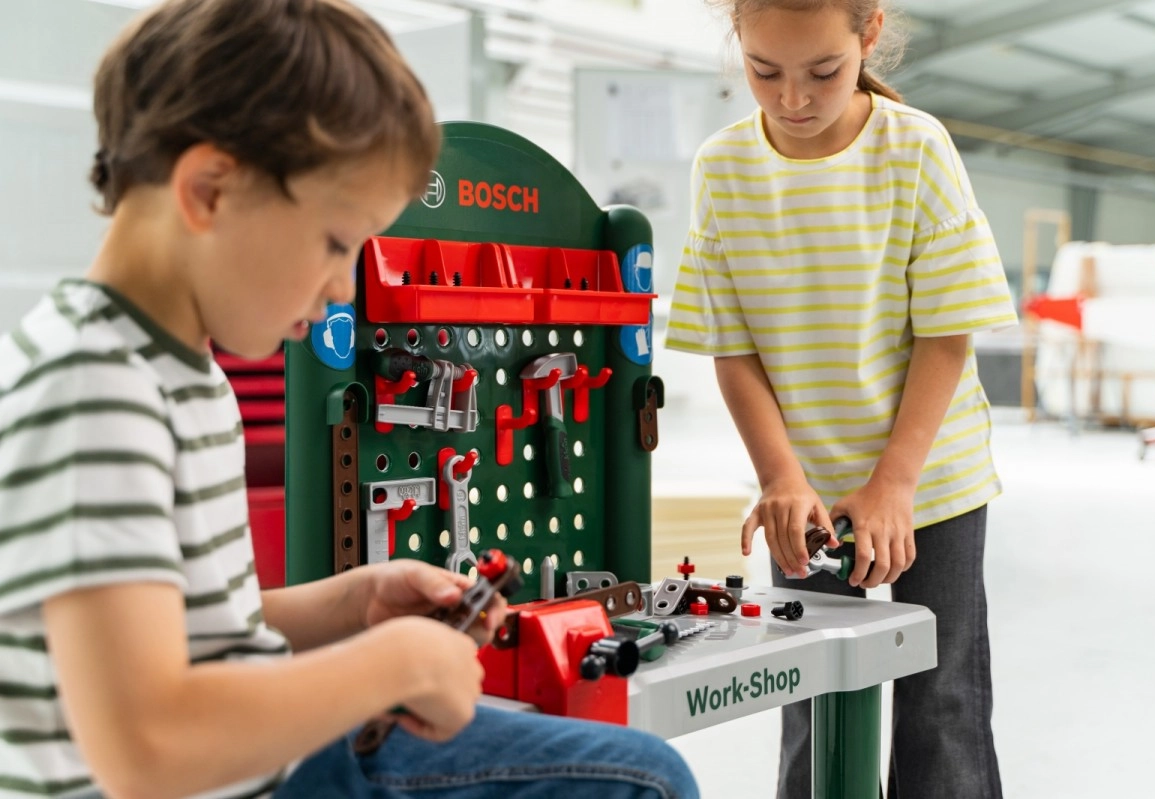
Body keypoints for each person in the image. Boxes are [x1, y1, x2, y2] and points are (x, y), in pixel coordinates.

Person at [0, 2, 699, 798]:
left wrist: (354, 600)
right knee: (643, 783)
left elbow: (197, 625)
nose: (344, 286)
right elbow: (145, 745)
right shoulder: (94, 391)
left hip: (272, 761)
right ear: (209, 190)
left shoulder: (177, 370)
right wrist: (388, 667)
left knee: (643, 773)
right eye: (337, 243)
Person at [665, 1, 1015, 797]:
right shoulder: (722, 167)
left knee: (941, 701)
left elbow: (947, 334)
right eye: (764, 71)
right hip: (805, 489)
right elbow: (733, 346)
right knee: (812, 697)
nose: (792, 98)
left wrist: (896, 483)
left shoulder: (916, 148)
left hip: (931, 475)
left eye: (822, 72)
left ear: (869, 35)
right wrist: (780, 476)